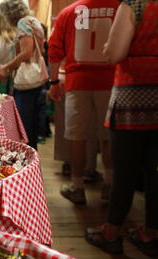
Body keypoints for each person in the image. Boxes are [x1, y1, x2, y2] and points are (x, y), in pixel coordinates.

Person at [86, 0, 158, 256]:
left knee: (124, 169)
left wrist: (107, 47)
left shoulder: (135, 3)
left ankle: (111, 231)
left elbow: (114, 53)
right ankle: (150, 233)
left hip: (134, 95)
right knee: (155, 170)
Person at [48, 0, 119, 204]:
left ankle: (77, 187)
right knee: (107, 137)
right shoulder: (119, 8)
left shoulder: (68, 12)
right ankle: (109, 185)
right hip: (110, 80)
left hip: (77, 82)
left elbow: (54, 49)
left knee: (77, 137)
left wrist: (54, 82)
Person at [0, 0, 47, 150]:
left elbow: (26, 53)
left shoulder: (23, 23)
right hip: (37, 79)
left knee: (25, 126)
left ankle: (28, 161)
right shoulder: (34, 21)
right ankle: (32, 158)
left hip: (26, 83)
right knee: (31, 125)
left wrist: (6, 66)